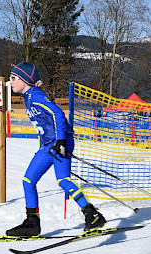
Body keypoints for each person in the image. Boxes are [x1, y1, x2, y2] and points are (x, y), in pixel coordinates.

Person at [6, 62, 106, 237]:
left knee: (63, 180)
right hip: (48, 146)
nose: (10, 82)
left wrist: (60, 141)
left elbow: (58, 114)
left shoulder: (36, 95)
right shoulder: (28, 98)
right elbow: (45, 125)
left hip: (60, 142)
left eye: (13, 78)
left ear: (25, 80)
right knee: (28, 181)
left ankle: (92, 214)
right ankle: (32, 222)